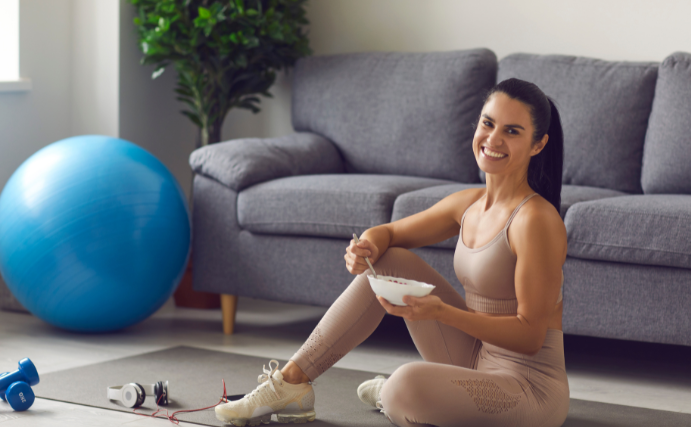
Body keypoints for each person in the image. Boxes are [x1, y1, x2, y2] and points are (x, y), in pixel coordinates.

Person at [215, 78, 569, 427]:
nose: (493, 139)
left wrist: (443, 313)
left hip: (527, 389)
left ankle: (397, 395)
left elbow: (530, 337)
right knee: (387, 260)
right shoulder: (470, 204)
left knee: (403, 386)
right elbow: (388, 234)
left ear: (538, 145)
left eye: (512, 131)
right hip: (475, 358)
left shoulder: (535, 220)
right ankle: (291, 384)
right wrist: (365, 247)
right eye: (488, 123)